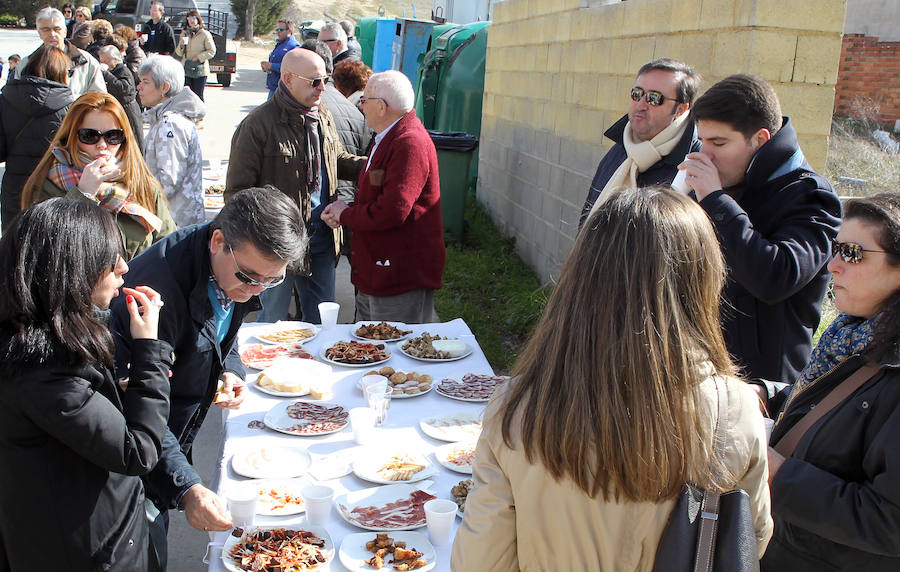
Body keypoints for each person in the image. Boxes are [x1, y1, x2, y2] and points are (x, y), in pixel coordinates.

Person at [451, 186, 772, 569]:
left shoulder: (516, 407)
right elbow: (749, 541)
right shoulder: (735, 410)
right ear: (703, 280)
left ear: (580, 278)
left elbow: (480, 562)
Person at [109, 186, 307, 570]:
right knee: (145, 537)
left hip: (169, 423)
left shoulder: (232, 266)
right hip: (133, 448)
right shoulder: (156, 294)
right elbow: (137, 407)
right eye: (250, 277)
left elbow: (219, 330)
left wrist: (230, 368)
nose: (256, 290)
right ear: (218, 241)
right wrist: (186, 487)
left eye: (272, 280)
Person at [0, 198, 172, 572]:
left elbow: (77, 418)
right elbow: (136, 451)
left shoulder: (50, 333)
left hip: (98, 530)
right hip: (87, 551)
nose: (124, 267)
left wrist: (116, 392)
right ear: (71, 270)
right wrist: (149, 352)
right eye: (110, 260)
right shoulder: (42, 370)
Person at [761, 193, 900, 571]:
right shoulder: (853, 337)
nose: (833, 265)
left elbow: (889, 522)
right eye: (836, 248)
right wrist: (765, 395)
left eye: (852, 253)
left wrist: (778, 473)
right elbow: (829, 406)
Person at [681, 74, 842, 384]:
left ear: (760, 139)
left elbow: (775, 277)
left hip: (764, 388)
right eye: (702, 141)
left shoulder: (812, 196)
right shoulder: (725, 185)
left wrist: (716, 200)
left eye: (719, 143)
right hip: (704, 371)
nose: (706, 155)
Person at [226, 48, 365, 323]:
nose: (322, 88)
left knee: (322, 322)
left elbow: (335, 160)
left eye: (326, 79)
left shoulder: (321, 115)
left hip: (322, 239)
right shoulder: (257, 125)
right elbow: (237, 193)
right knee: (272, 323)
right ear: (288, 79)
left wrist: (376, 165)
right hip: (276, 245)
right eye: (314, 81)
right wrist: (256, 242)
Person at [321, 71, 443, 323]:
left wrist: (346, 214)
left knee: (394, 351)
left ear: (381, 106)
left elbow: (392, 211)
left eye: (364, 100)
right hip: (378, 272)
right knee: (369, 349)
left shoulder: (409, 142)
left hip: (398, 276)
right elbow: (381, 197)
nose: (361, 106)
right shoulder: (389, 136)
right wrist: (347, 210)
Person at [21, 91, 175, 260]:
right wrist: (83, 194)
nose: (102, 145)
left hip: (132, 285)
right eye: (90, 136)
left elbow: (170, 247)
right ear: (72, 136)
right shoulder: (47, 183)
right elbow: (47, 252)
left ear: (124, 140)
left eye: (112, 136)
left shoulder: (141, 182)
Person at [579, 58, 700, 228]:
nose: (641, 105)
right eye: (637, 94)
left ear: (681, 110)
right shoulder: (620, 150)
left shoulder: (693, 166)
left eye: (654, 98)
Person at [302, 39, 373, 263]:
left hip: (325, 211)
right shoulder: (355, 112)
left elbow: (339, 160)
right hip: (344, 208)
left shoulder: (316, 110)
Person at [0, 45, 74, 231]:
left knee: (13, 246)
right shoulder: (70, 107)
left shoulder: (5, 100)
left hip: (14, 186)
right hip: (54, 186)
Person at [138, 54, 205, 227]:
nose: (139, 87)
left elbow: (168, 182)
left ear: (164, 87)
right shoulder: (164, 120)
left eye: (145, 82)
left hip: (174, 223)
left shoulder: (170, 124)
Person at [17, 8, 105, 96]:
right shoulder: (26, 64)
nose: (52, 34)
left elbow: (100, 99)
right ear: (39, 33)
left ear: (65, 31)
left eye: (57, 29)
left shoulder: (86, 62)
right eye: (46, 30)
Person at [99, 45, 144, 152]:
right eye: (101, 61)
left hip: (129, 111)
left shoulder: (123, 70)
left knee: (134, 142)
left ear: (115, 59)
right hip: (117, 110)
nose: (103, 64)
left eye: (106, 61)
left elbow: (124, 88)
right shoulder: (113, 71)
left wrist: (106, 74)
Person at [174, 10, 215, 101]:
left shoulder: (204, 34)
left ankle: (199, 114)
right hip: (187, 68)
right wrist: (181, 45)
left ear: (198, 20)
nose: (191, 21)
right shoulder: (185, 33)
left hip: (200, 70)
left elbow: (212, 51)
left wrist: (199, 57)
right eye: (189, 18)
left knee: (198, 96)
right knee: (186, 96)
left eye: (194, 18)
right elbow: (179, 53)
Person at [261, 19, 300, 100]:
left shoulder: (294, 47)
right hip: (274, 88)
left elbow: (292, 69)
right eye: (277, 30)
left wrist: (271, 66)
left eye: (280, 30)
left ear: (289, 31)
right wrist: (266, 67)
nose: (278, 32)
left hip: (285, 92)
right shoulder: (280, 44)